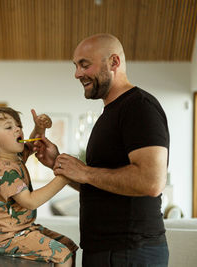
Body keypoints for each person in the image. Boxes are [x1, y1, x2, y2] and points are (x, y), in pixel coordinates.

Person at [34, 33, 170, 267]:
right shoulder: (110, 113)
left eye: (85, 64)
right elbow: (101, 186)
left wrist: (85, 172)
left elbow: (151, 181)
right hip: (105, 251)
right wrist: (59, 163)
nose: (77, 73)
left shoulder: (139, 107)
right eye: (76, 66)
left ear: (114, 62)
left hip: (129, 252)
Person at [0, 106, 78, 267]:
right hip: (8, 238)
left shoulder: (15, 158)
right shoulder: (3, 170)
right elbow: (30, 202)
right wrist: (64, 176)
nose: (17, 129)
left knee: (69, 245)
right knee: (62, 255)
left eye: (18, 125)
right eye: (9, 127)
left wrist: (39, 128)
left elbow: (34, 142)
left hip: (25, 230)